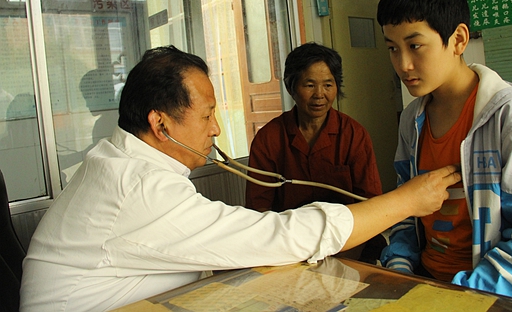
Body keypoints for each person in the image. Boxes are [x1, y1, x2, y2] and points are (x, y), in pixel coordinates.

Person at [20, 45, 460, 312]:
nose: (215, 129)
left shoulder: (118, 161)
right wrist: (407, 201)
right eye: (207, 115)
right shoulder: (138, 187)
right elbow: (275, 231)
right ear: (160, 123)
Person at [377, 0, 512, 307]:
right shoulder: (412, 120)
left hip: (496, 295)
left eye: (415, 46)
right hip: (427, 284)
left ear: (458, 40)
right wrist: (401, 270)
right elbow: (406, 212)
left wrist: (458, 297)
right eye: (393, 48)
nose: (403, 64)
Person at [245, 42, 385, 262]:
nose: (320, 95)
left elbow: (371, 205)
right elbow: (259, 209)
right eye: (309, 85)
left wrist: (345, 261)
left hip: (349, 243)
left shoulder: (354, 135)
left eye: (328, 85)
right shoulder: (269, 139)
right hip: (289, 247)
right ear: (291, 87)